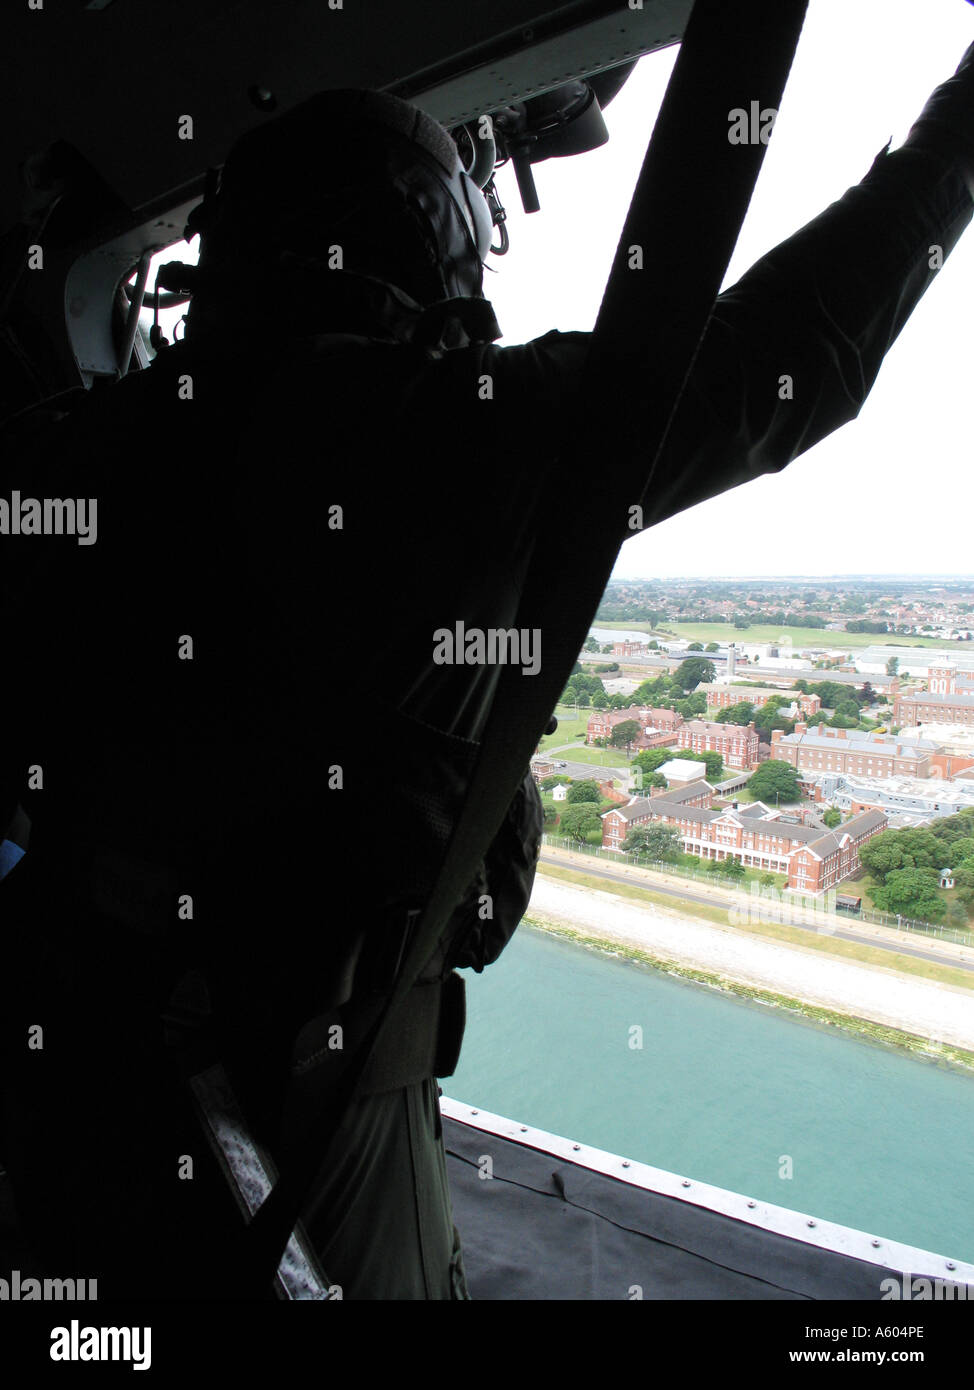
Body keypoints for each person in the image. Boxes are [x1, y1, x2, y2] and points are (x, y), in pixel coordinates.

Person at [2, 46, 974, 1298]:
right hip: (316, 1111)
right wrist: (954, 133)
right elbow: (795, 354)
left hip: (72, 1076)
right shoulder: (474, 430)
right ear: (432, 255)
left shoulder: (60, 454)